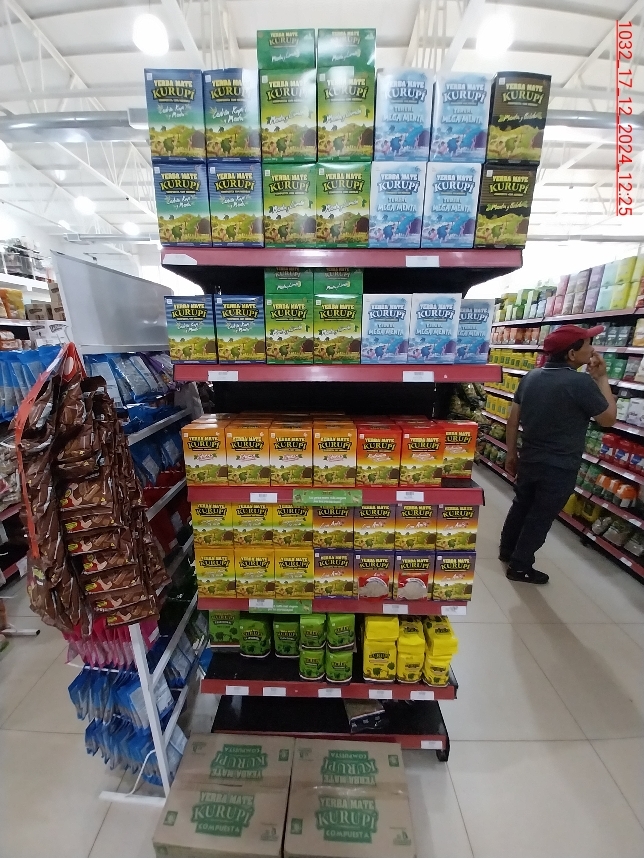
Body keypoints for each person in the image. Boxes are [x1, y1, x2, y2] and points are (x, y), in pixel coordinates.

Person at [499, 324, 617, 584]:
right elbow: (608, 419)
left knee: (521, 504)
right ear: (571, 354)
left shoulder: (531, 377)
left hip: (529, 457)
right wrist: (601, 378)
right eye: (588, 344)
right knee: (540, 514)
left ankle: (507, 551)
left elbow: (513, 420)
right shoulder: (581, 382)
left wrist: (511, 453)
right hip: (559, 465)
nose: (592, 349)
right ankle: (520, 566)